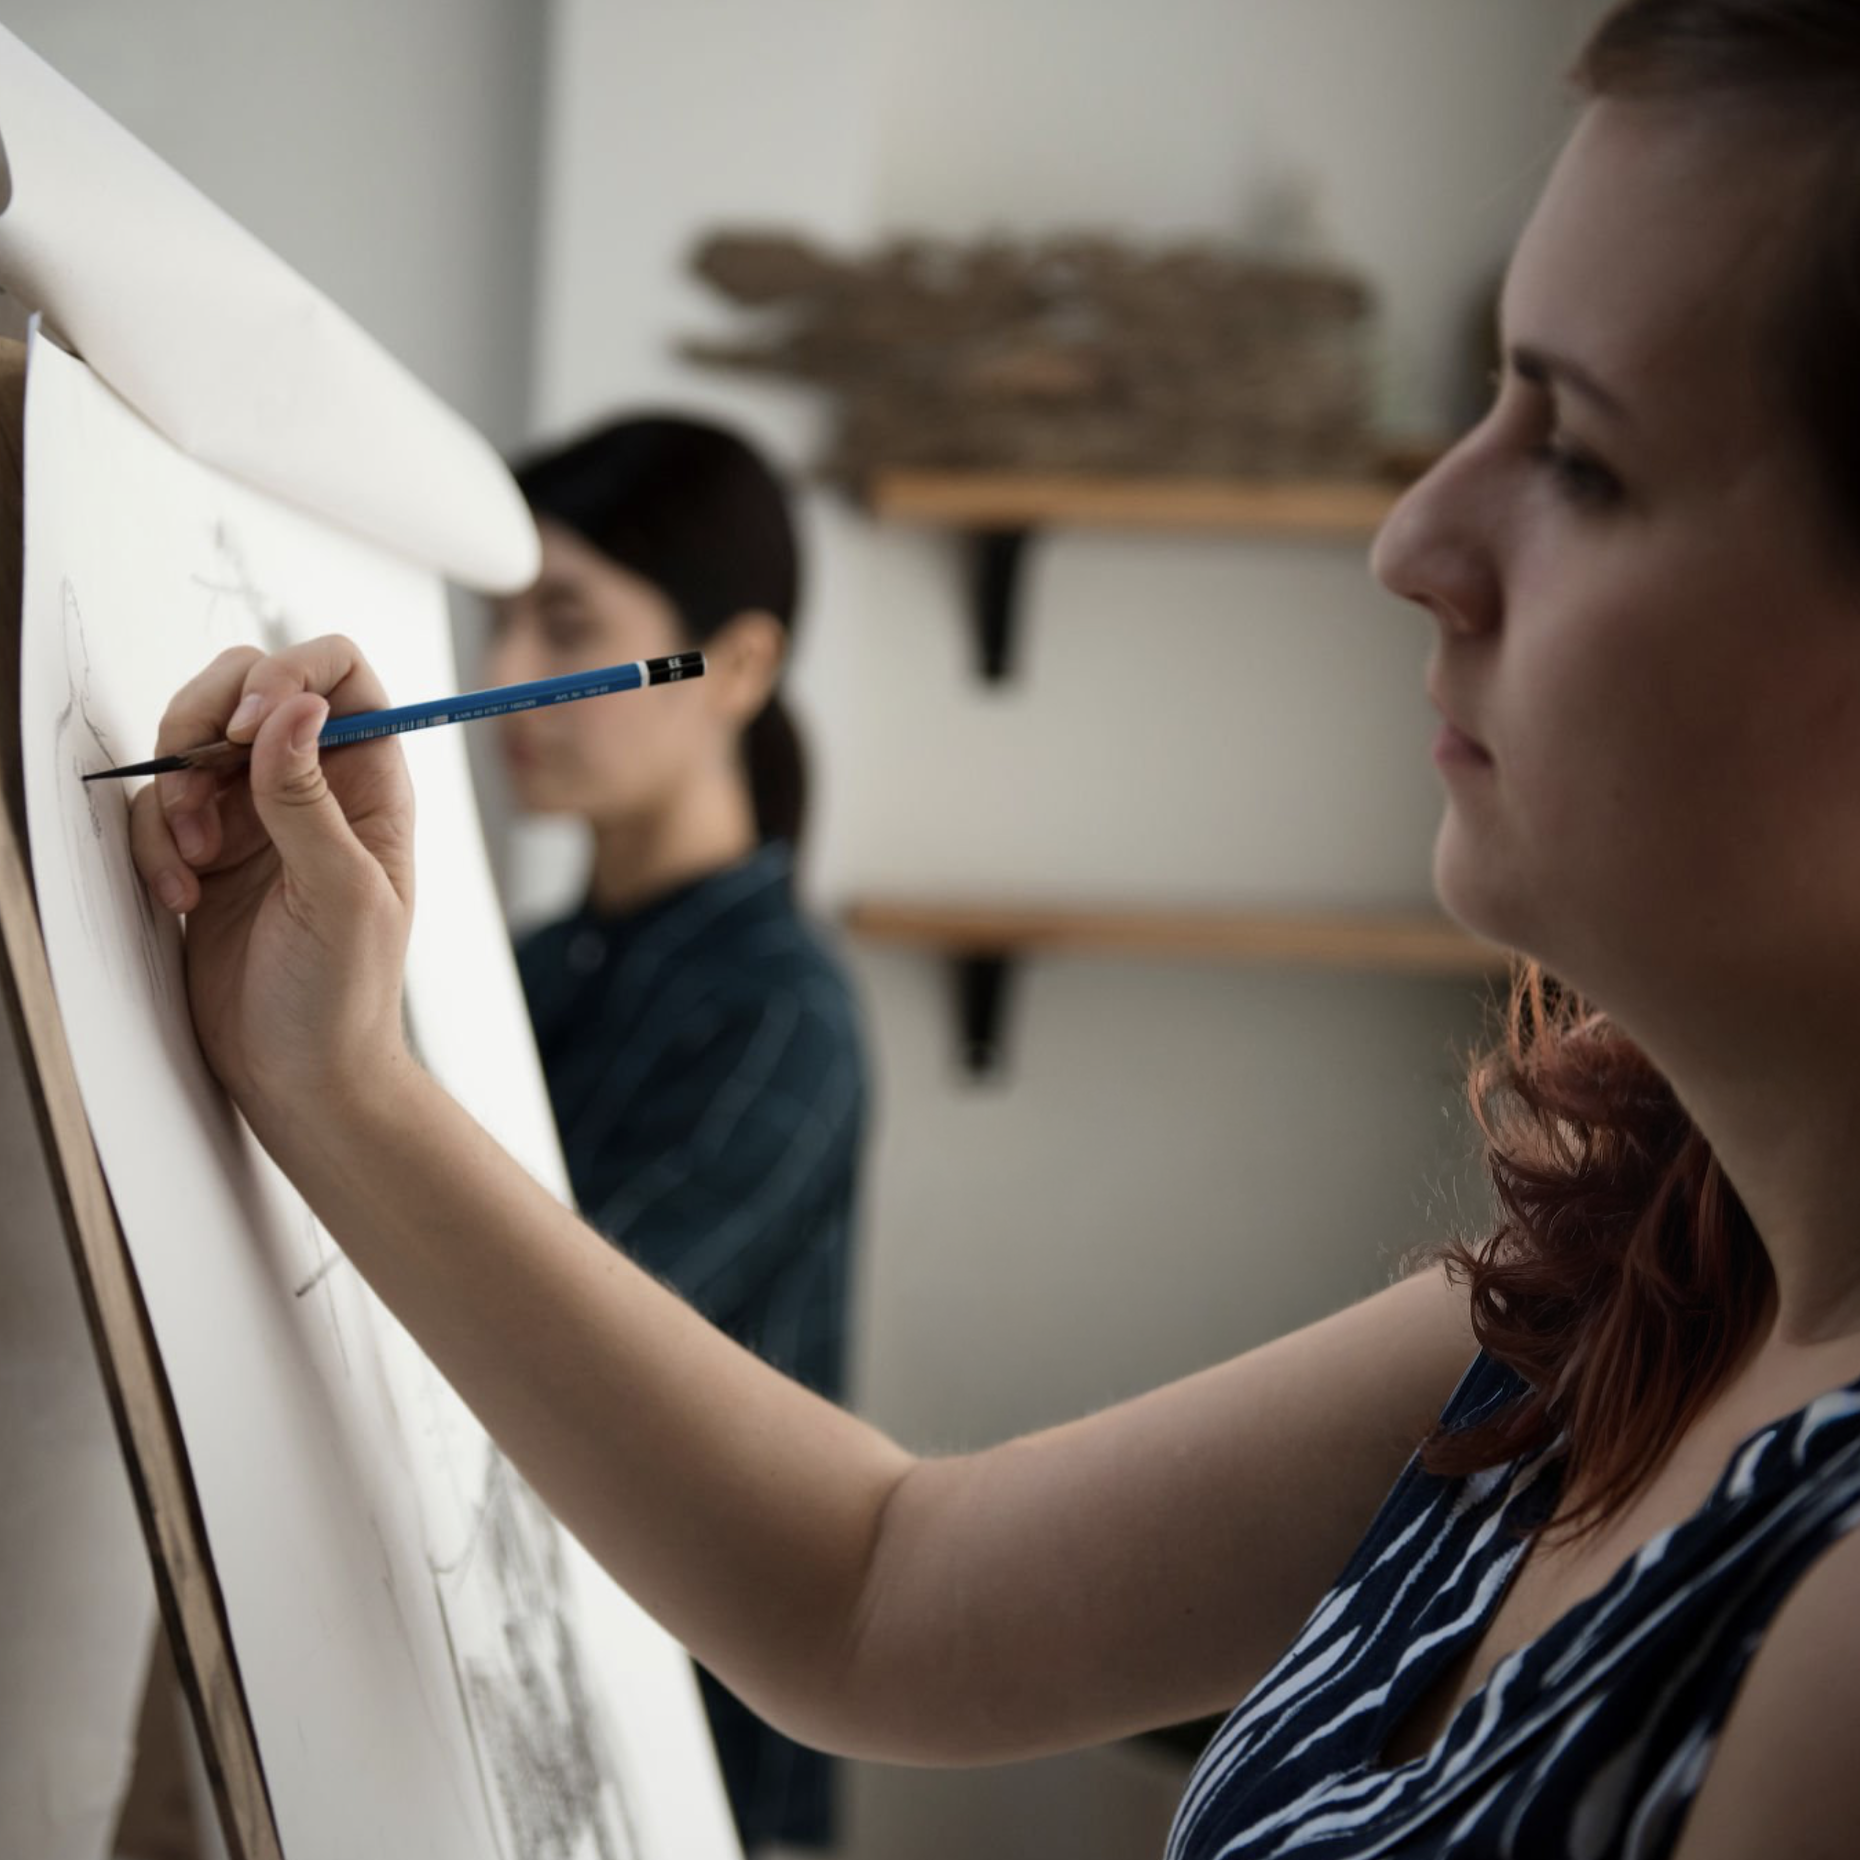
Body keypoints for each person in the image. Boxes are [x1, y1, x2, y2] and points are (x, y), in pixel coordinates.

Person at [130, 2, 1860, 1851]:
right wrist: (332, 1072)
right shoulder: (1613, 1289)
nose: (1414, 533)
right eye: (1486, 402)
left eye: (1581, 458)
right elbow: (879, 1593)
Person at [488, 415, 868, 1853]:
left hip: (685, 1775)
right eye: (501, 619)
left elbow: (567, 1351)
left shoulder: (781, 1017)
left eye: (565, 622)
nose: (506, 678)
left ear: (740, 666)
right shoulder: (522, 965)